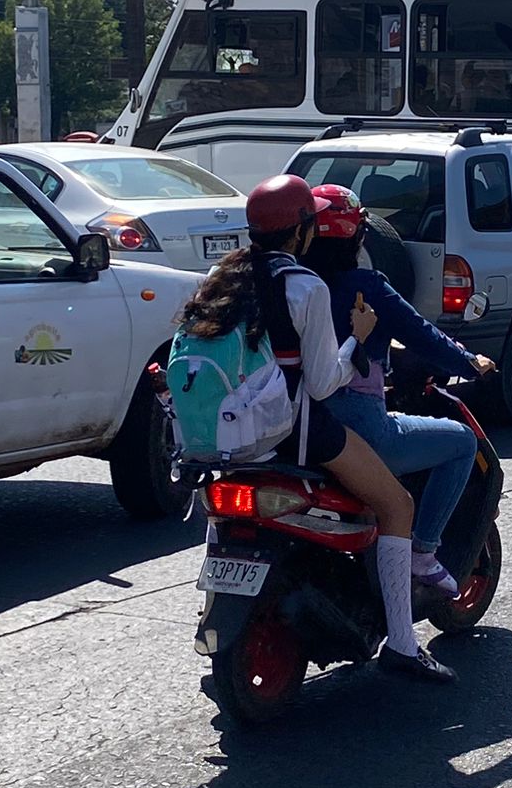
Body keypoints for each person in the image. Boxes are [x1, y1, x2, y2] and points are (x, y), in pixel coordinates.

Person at [181, 174, 456, 683]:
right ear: (304, 229)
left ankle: (213, 609)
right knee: (397, 505)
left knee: (223, 514)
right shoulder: (303, 285)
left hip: (223, 435)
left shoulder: (220, 276)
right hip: (293, 429)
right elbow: (326, 383)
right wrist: (359, 338)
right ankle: (403, 643)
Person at [300, 184, 494, 598]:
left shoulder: (291, 284)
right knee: (461, 443)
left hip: (294, 425)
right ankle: (423, 554)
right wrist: (468, 362)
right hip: (360, 427)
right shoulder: (366, 287)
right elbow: (421, 334)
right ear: (358, 237)